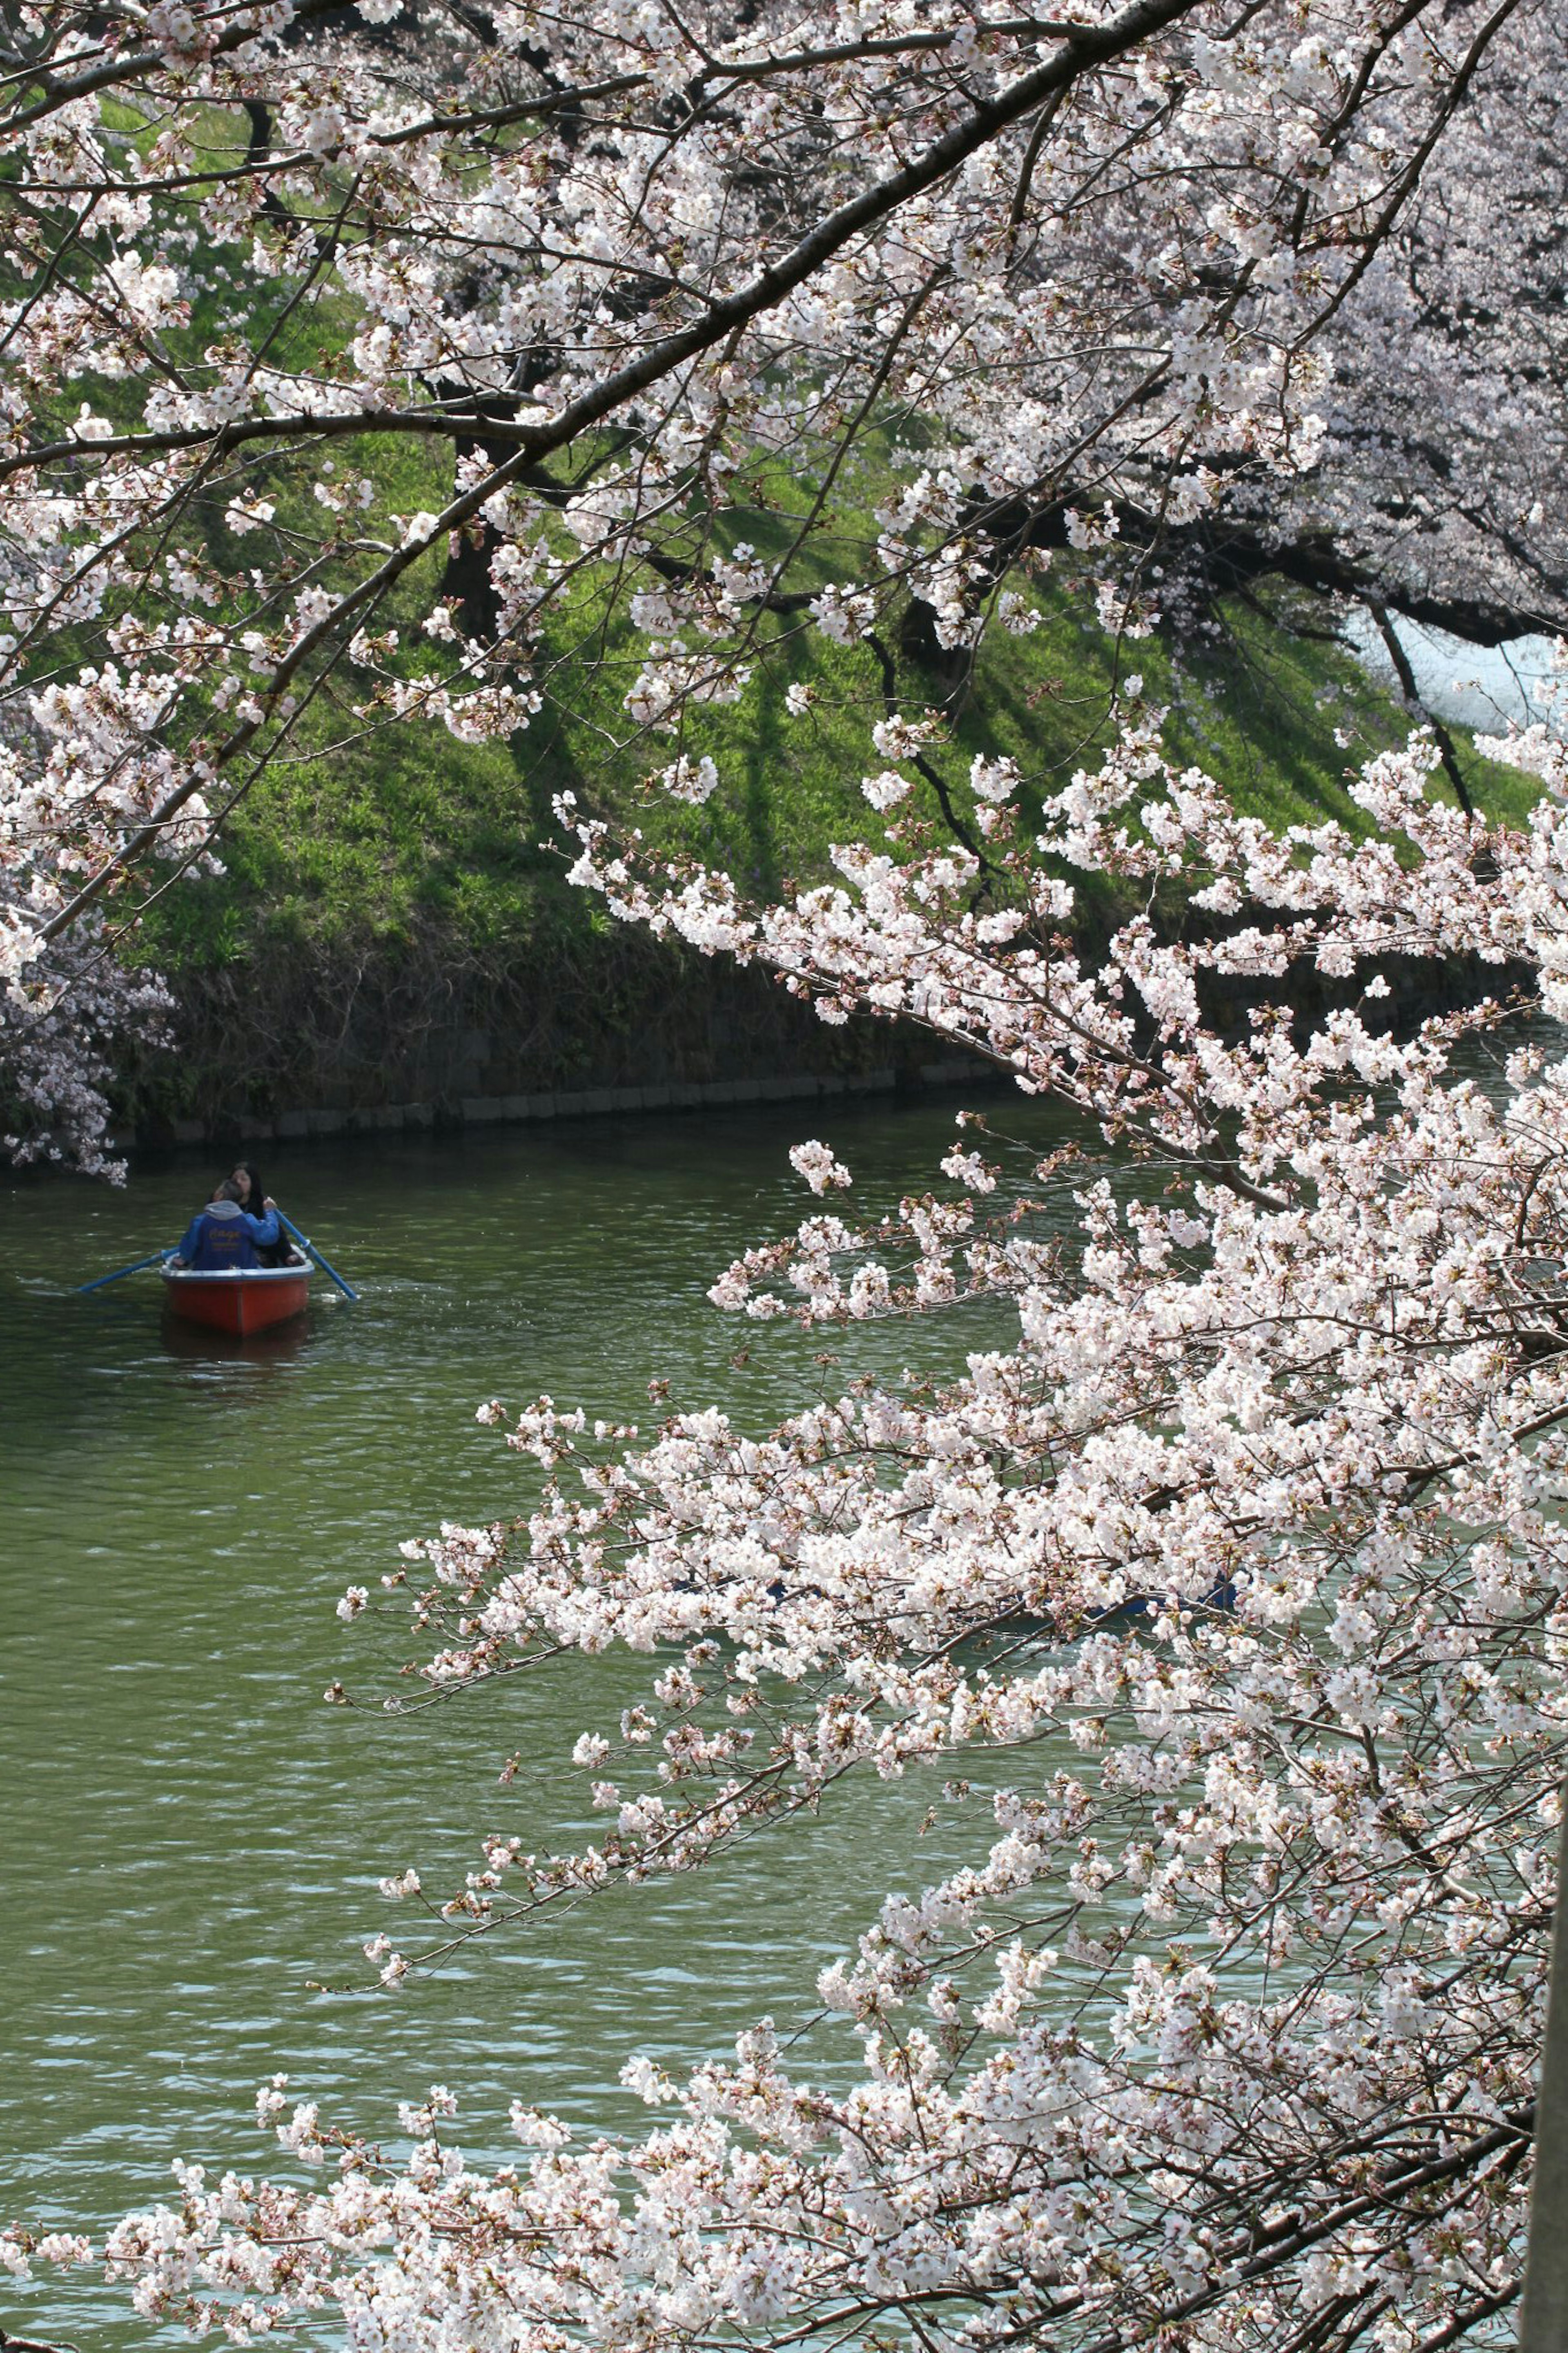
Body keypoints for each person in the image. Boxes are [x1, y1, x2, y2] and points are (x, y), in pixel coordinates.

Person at [170, 1177, 282, 1270]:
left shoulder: (200, 1222)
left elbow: (187, 1253)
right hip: (244, 1274)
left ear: (219, 1196)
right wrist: (269, 1212)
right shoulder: (248, 1221)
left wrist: (184, 1260)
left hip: (207, 1276)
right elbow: (270, 1236)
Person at [229, 1161, 298, 1265]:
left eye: (244, 1179)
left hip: (262, 1253)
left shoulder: (263, 1204)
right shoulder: (223, 1204)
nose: (238, 1182)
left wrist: (288, 1254)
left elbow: (277, 1233)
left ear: (253, 1183)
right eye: (235, 1179)